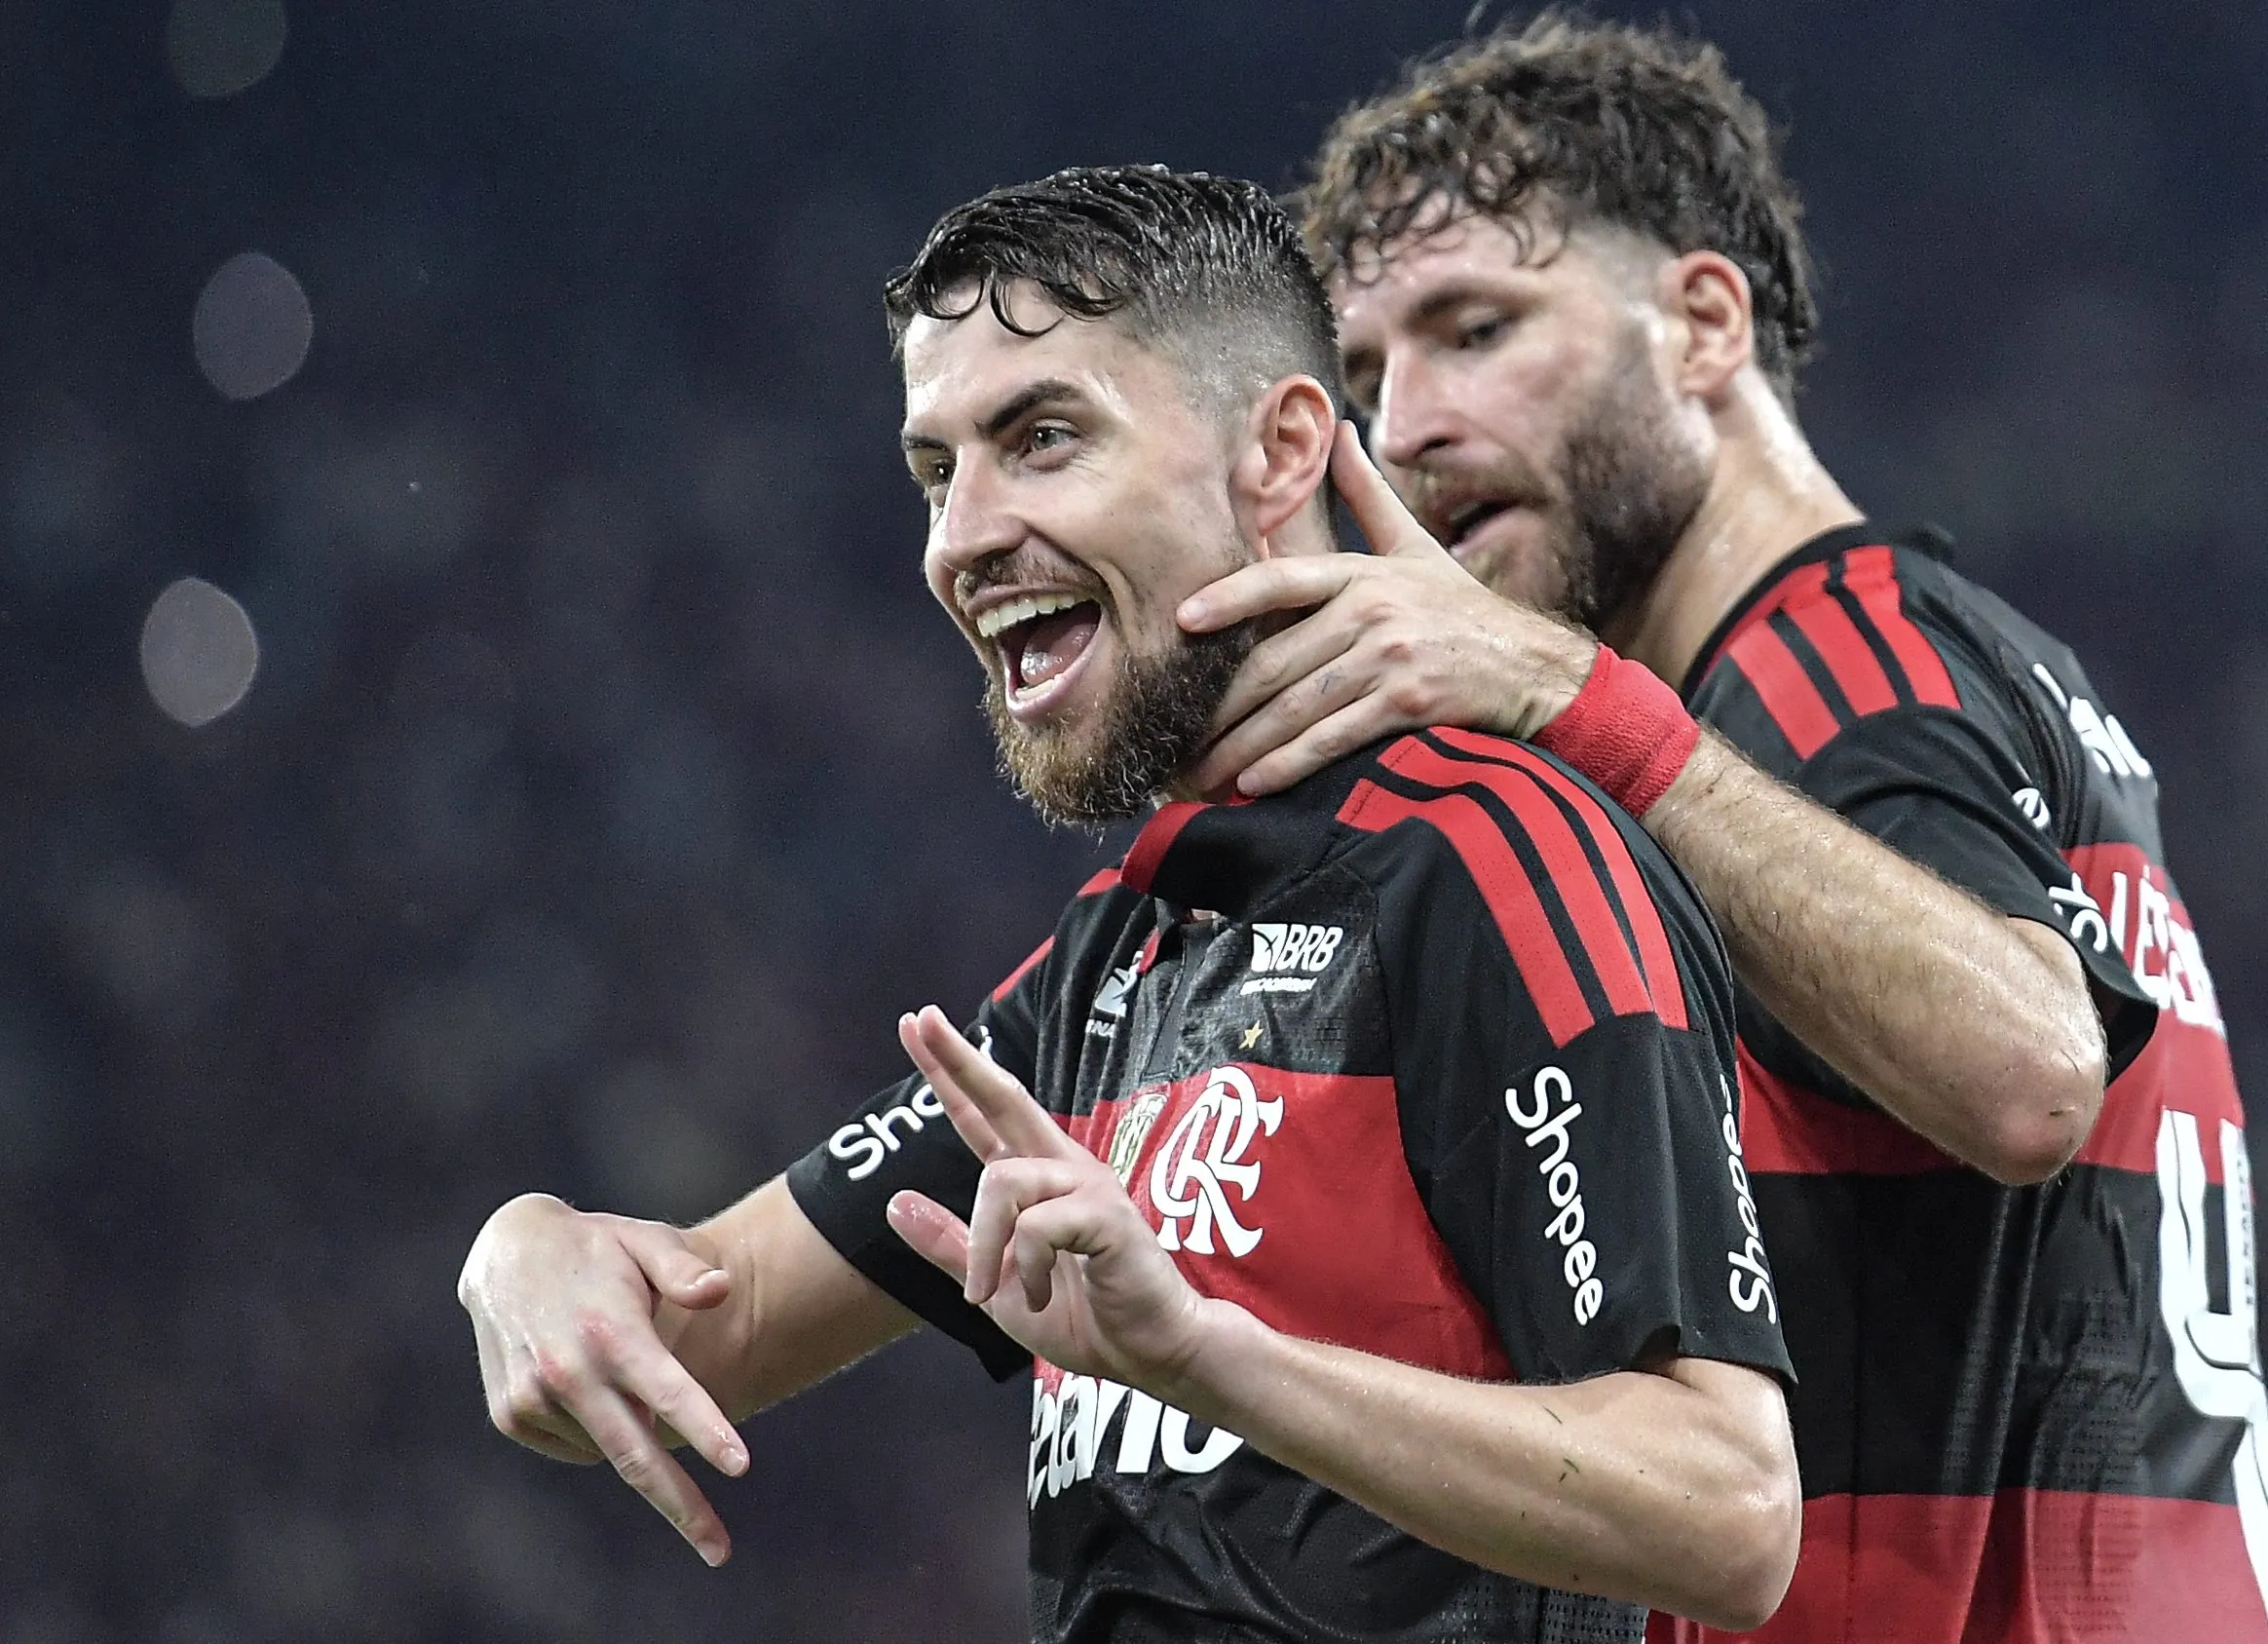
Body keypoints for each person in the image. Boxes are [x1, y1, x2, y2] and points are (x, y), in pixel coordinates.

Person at [460, 164, 1801, 1642]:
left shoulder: (1498, 858)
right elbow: (679, 1330)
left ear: (1283, 447)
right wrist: (525, 1247)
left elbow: (1726, 1505)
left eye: (1043, 438)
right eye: (934, 469)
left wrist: (1213, 1359)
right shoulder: (1119, 949)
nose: (961, 538)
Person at [1165, 18, 2264, 1641]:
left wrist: (1571, 698)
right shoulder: (1954, 659)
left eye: (1476, 329)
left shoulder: (1829, 667)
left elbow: (2033, 1069)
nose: (1403, 428)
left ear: (1699, 324)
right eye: (1372, 374)